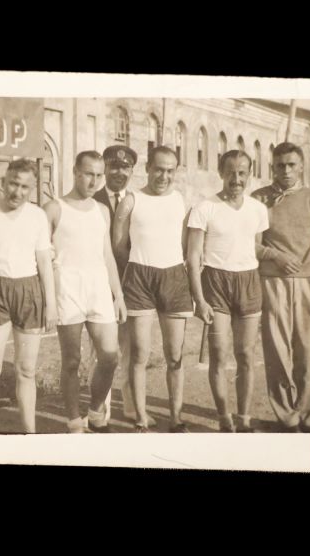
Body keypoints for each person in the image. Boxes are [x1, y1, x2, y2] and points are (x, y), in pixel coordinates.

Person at [0, 158, 57, 433]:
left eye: (25, 187)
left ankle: (29, 433)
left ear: (32, 188)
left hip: (29, 292)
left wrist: (51, 305)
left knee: (26, 371)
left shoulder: (37, 216)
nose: (17, 192)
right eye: (13, 184)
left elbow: (44, 263)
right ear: (4, 182)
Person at [44, 150, 127, 433]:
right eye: (89, 174)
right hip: (67, 286)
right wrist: (48, 299)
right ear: (75, 172)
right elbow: (42, 256)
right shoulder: (54, 208)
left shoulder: (101, 210)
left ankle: (95, 412)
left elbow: (107, 255)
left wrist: (118, 295)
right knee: (71, 361)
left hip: (98, 286)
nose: (94, 181)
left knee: (110, 357)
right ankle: (74, 422)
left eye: (99, 175)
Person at [187, 150, 269, 432]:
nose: (236, 179)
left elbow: (255, 247)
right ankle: (224, 417)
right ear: (221, 173)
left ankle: (244, 418)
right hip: (215, 283)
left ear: (249, 174)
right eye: (231, 172)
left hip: (248, 282)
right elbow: (193, 257)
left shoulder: (258, 209)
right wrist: (199, 299)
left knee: (245, 354)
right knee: (219, 353)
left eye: (242, 172)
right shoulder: (205, 207)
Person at [114, 146, 193, 432]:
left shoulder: (180, 200)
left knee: (175, 356)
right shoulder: (131, 200)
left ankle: (176, 418)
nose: (164, 176)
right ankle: (140, 418)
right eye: (159, 169)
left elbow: (184, 243)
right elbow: (119, 246)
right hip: (140, 278)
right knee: (139, 355)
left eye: (170, 171)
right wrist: (138, 270)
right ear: (148, 168)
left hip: (173, 277)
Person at [252, 142, 310, 432]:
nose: (286, 170)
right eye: (280, 165)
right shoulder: (259, 199)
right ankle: (287, 417)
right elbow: (250, 244)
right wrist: (275, 256)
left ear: (302, 166)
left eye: (291, 164)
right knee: (277, 351)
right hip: (273, 281)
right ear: (272, 166)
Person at [92, 145, 154, 424]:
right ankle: (100, 411)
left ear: (132, 170)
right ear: (105, 168)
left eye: (125, 167)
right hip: (100, 286)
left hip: (131, 286)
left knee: (130, 350)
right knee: (102, 352)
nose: (119, 172)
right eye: (114, 166)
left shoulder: (138, 201)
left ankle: (130, 406)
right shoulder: (91, 200)